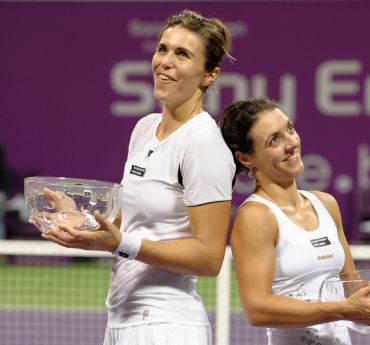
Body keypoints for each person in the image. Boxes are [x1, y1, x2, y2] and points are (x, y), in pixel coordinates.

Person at [36, 10, 236, 345]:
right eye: (162, 49)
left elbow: (210, 257)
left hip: (168, 324)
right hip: (122, 320)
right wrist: (78, 217)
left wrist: (120, 244)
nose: (165, 62)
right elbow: (128, 224)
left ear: (209, 75)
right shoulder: (144, 129)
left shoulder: (203, 142)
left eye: (182, 54)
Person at [219, 98, 370, 345]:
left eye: (289, 128)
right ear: (246, 159)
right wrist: (342, 309)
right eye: (274, 140)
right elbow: (257, 309)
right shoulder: (256, 216)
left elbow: (352, 289)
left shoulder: (325, 204)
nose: (291, 142)